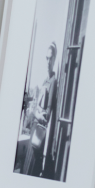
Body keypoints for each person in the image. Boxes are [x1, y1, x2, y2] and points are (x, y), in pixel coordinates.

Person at [26, 42, 59, 178]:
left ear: (54, 59)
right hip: (34, 129)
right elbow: (36, 106)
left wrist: (37, 114)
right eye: (46, 58)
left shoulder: (53, 82)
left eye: (50, 58)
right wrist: (36, 111)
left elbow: (47, 114)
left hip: (39, 134)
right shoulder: (45, 81)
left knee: (32, 170)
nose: (48, 62)